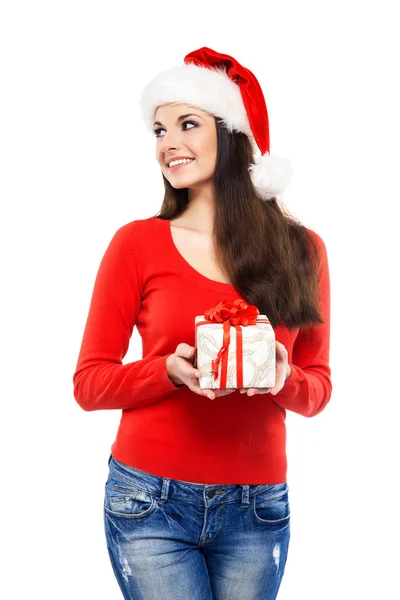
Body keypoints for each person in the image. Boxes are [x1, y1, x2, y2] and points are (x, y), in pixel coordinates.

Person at [72, 47, 332, 600]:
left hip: (257, 509)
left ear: (232, 134)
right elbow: (89, 384)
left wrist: (284, 376)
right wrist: (167, 369)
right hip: (149, 501)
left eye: (188, 124)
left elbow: (318, 391)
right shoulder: (135, 244)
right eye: (160, 129)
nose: (169, 143)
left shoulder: (302, 250)